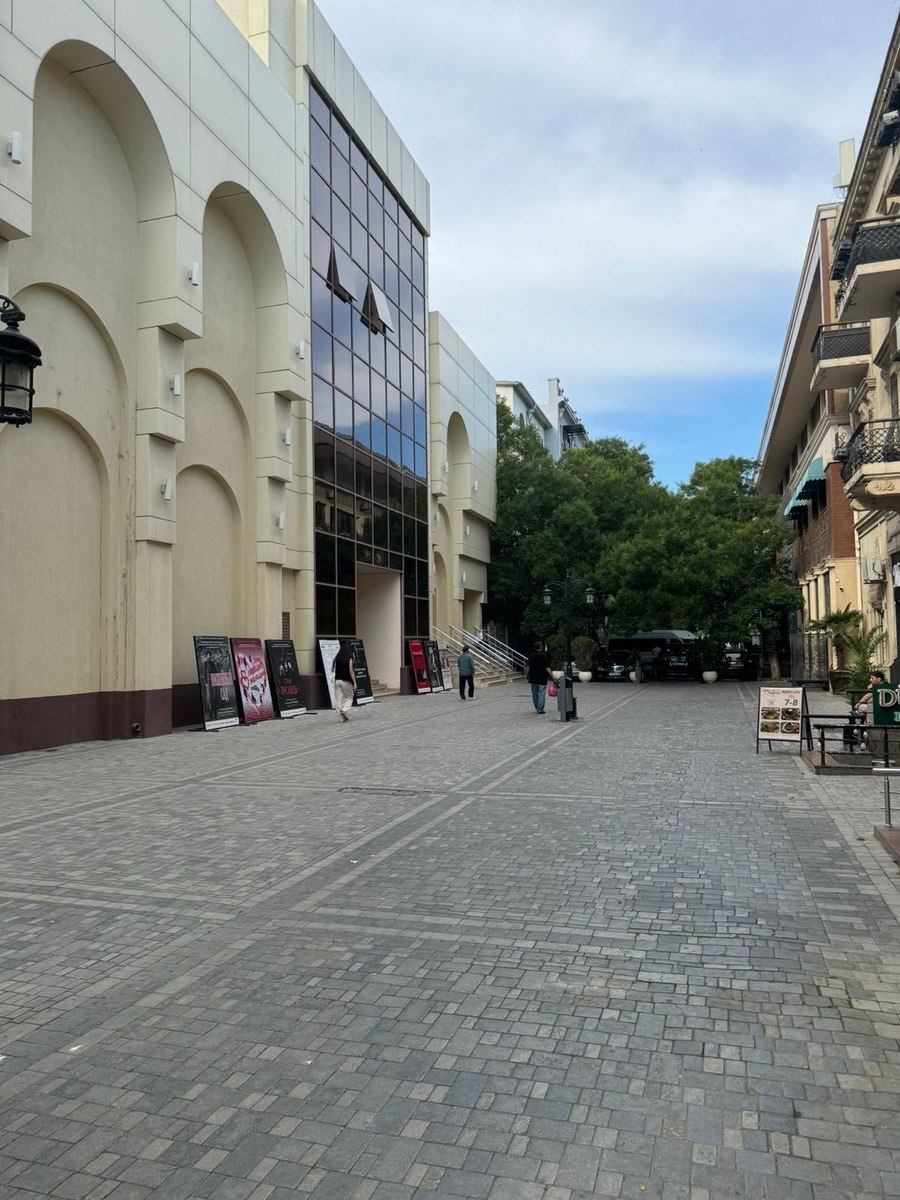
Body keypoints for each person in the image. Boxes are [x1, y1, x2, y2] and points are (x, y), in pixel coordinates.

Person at [527, 640, 554, 714]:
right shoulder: (544, 656)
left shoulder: (531, 656)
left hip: (533, 678)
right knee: (541, 693)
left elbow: (528, 668)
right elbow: (547, 668)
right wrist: (552, 676)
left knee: (534, 694)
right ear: (541, 647)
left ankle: (537, 707)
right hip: (542, 678)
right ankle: (540, 709)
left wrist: (526, 675)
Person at [332, 642, 356, 722]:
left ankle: (341, 718)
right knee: (349, 697)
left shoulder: (336, 658)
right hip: (346, 681)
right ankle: (344, 710)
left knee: (339, 699)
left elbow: (333, 670)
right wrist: (354, 682)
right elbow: (351, 671)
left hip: (337, 681)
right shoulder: (349, 658)